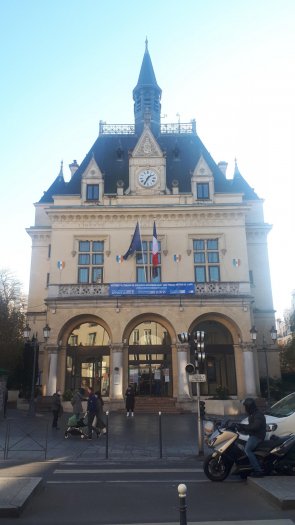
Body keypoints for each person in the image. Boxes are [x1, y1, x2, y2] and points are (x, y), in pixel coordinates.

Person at [237, 397, 266, 477]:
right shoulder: (253, 414)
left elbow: (255, 427)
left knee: (247, 450)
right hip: (253, 435)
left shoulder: (258, 415)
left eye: (246, 407)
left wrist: (243, 427)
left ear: (249, 407)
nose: (245, 409)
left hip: (257, 437)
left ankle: (258, 470)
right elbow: (250, 426)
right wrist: (239, 425)